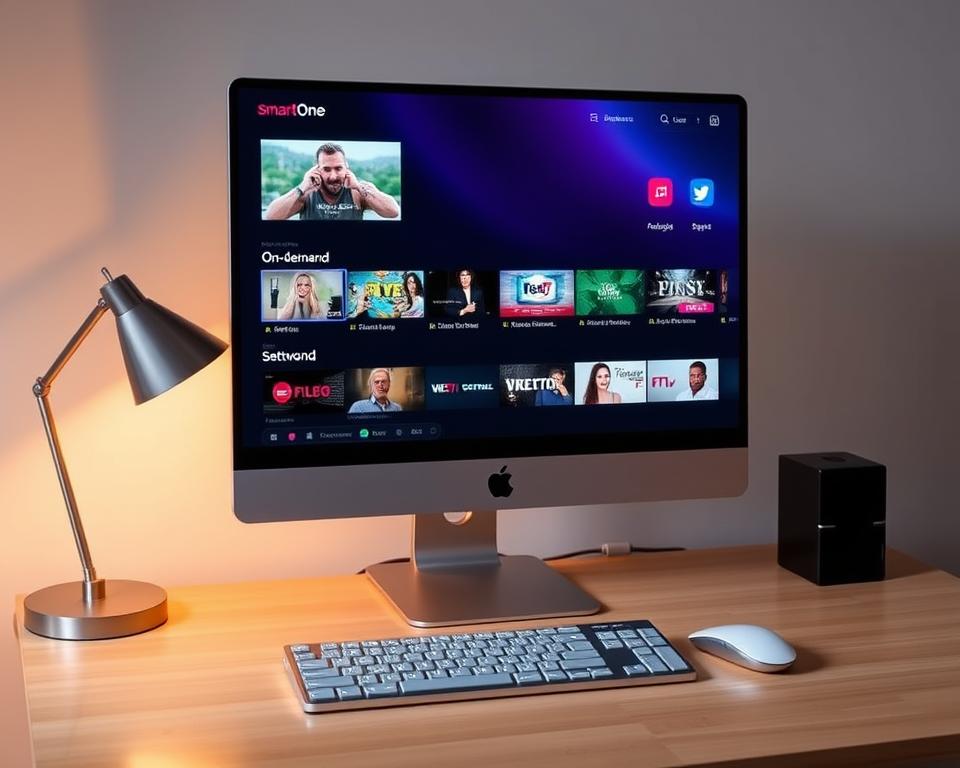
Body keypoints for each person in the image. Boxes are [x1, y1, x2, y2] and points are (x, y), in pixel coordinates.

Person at [264, 143, 400, 221]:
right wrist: (301, 188)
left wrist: (358, 187)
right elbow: (271, 217)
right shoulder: (306, 194)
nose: (333, 176)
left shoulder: (358, 191)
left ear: (346, 167)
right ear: (317, 169)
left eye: (338, 168)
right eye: (326, 169)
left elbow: (393, 211)